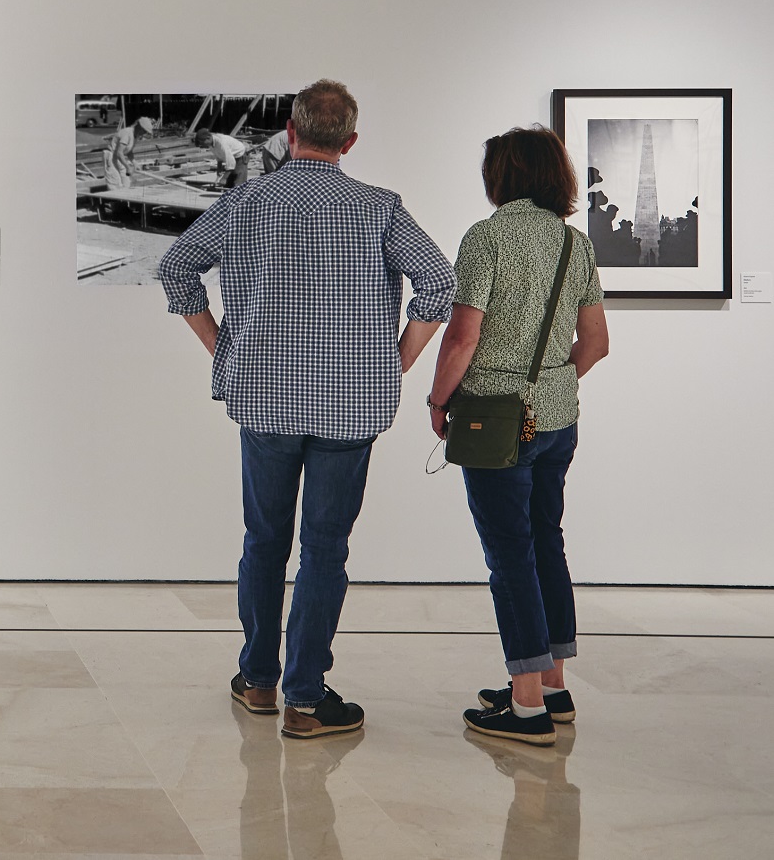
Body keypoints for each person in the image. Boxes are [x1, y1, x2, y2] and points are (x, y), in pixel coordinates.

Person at [157, 79, 456, 739]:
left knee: (263, 541)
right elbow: (439, 282)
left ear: (290, 133)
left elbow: (177, 267)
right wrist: (396, 360)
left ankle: (259, 679)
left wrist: (220, 345)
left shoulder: (244, 202)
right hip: (352, 407)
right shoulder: (379, 207)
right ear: (349, 141)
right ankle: (306, 695)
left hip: (263, 400)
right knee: (325, 550)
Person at [427, 126, 610, 746]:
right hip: (560, 419)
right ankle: (553, 686)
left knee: (509, 556)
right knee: (545, 542)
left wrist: (437, 398)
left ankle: (526, 707)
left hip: (495, 419)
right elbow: (597, 344)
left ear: (499, 176)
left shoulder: (487, 237)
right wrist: (551, 384)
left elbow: (461, 337)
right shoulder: (573, 243)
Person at [103, 115, 155, 189]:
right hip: (111, 156)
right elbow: (119, 152)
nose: (144, 133)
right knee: (114, 184)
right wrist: (128, 167)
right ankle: (116, 198)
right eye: (144, 131)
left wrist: (134, 163)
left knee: (126, 183)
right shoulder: (127, 133)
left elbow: (129, 152)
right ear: (139, 127)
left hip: (119, 158)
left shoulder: (135, 136)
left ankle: (124, 197)